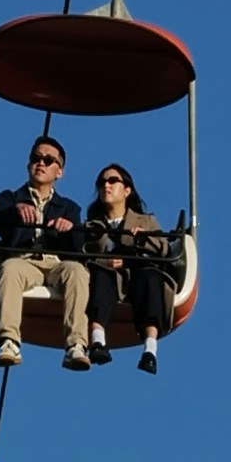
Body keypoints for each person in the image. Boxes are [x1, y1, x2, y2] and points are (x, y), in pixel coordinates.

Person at [0, 128, 98, 371]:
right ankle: (9, 341)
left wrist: (68, 229)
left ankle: (76, 344)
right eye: (36, 158)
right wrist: (15, 212)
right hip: (24, 260)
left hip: (55, 262)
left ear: (60, 171)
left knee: (77, 272)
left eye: (48, 160)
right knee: (11, 269)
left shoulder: (68, 207)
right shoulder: (10, 198)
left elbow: (78, 248)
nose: (40, 164)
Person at [80, 153, 178, 372]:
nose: (106, 185)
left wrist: (143, 238)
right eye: (102, 182)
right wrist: (103, 260)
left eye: (113, 180)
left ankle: (150, 350)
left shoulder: (146, 221)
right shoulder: (92, 225)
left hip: (138, 272)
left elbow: (163, 248)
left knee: (151, 279)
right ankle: (98, 341)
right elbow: (83, 253)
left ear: (127, 190)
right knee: (100, 279)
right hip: (107, 272)